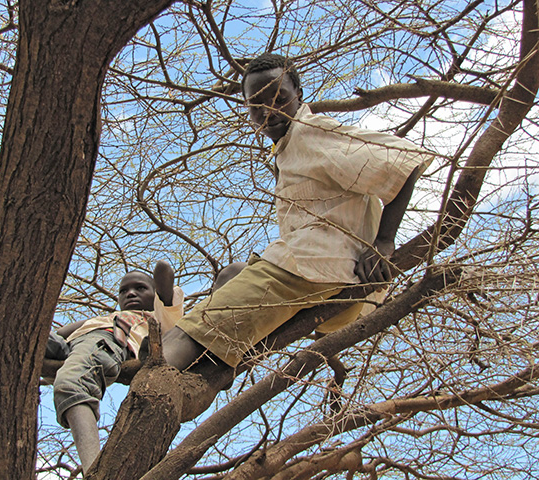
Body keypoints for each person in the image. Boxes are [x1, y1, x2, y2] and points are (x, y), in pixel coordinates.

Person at [162, 52, 434, 372]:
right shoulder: (287, 150)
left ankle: (152, 370)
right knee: (230, 279)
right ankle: (209, 377)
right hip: (338, 293)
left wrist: (384, 242)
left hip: (316, 267)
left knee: (193, 328)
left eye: (280, 98)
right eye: (257, 106)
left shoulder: (310, 131)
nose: (270, 111)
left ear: (299, 96)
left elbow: (403, 158)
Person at [47, 260, 184, 473]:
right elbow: (56, 335)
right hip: (70, 347)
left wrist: (161, 291)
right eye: (123, 291)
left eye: (140, 288)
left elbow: (164, 276)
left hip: (107, 341)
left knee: (72, 383)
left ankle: (93, 470)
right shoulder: (101, 318)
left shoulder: (156, 317)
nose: (130, 294)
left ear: (154, 294)